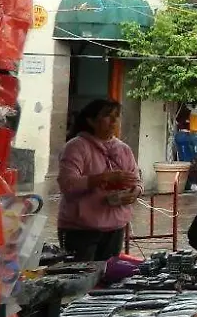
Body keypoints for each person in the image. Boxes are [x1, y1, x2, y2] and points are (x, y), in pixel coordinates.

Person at [57, 99, 141, 262]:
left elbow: (136, 180)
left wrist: (135, 192)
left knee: (108, 275)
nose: (113, 121)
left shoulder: (123, 149)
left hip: (115, 227)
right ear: (91, 120)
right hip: (80, 229)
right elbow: (67, 183)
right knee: (81, 278)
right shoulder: (76, 147)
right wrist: (102, 179)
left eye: (116, 116)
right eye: (107, 116)